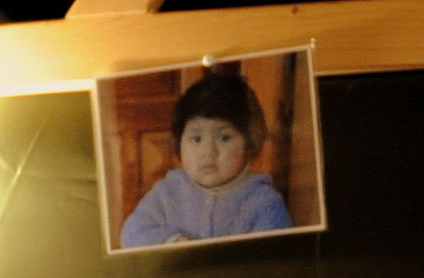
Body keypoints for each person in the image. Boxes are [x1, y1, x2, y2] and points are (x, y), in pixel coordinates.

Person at [115, 65, 295, 247]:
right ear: (179, 143)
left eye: (224, 138)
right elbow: (132, 234)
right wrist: (172, 241)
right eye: (196, 139)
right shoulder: (165, 194)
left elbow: (278, 253)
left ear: (250, 141)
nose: (208, 152)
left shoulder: (263, 201)